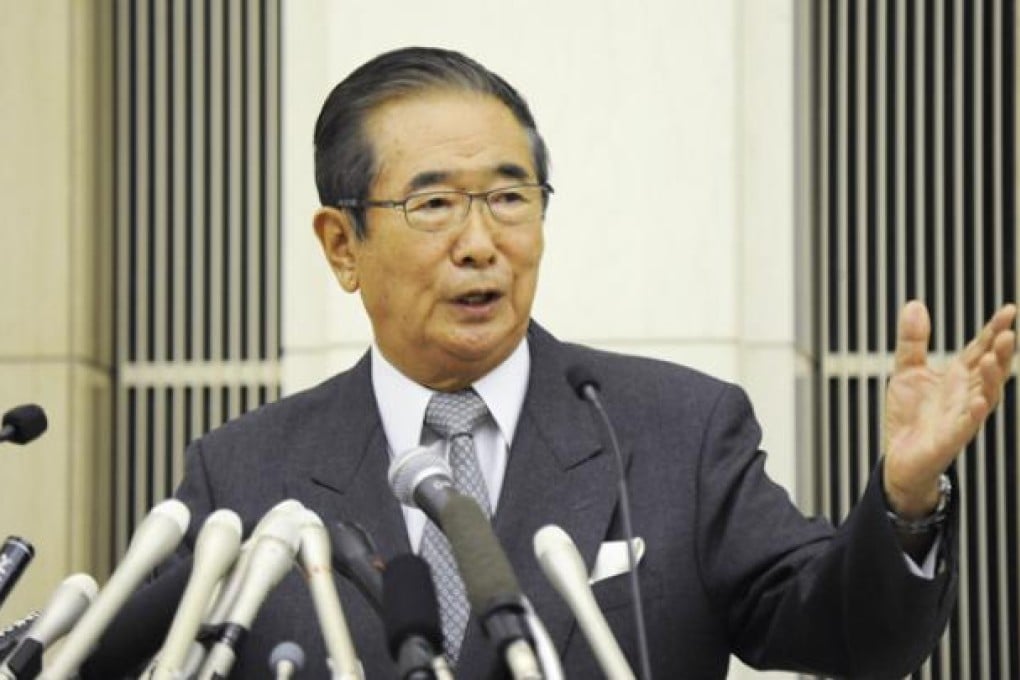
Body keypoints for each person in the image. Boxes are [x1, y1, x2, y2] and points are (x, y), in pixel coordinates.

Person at [164, 47, 1014, 678]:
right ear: (343, 245)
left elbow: (849, 636)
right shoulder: (241, 473)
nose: (481, 244)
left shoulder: (675, 429)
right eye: (433, 204)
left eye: (508, 198)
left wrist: (906, 497)